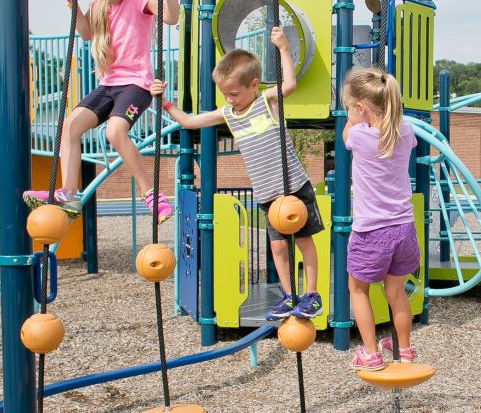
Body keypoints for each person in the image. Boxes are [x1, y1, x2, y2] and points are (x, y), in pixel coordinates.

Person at [151, 27, 324, 320]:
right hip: (268, 195)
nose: (229, 99)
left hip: (294, 186)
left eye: (233, 93)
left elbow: (290, 85)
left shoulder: (266, 102)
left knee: (304, 241)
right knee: (277, 247)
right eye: (224, 94)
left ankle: (311, 295)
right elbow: (189, 122)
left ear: (253, 85)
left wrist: (283, 48)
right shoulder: (228, 114)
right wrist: (164, 101)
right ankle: (288, 296)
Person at [24, 0, 179, 224]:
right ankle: (68, 194)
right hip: (108, 84)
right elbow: (86, 33)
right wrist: (72, 0)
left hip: (136, 84)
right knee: (69, 125)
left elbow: (171, 17)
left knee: (114, 132)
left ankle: (152, 194)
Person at [342, 68, 419, 371]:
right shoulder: (406, 131)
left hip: (371, 231)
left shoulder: (359, 135)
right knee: (396, 292)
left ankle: (371, 353)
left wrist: (353, 117)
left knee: (358, 290)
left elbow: (346, 135)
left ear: (361, 108)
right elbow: (392, 125)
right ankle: (405, 349)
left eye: (349, 107)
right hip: (404, 229)